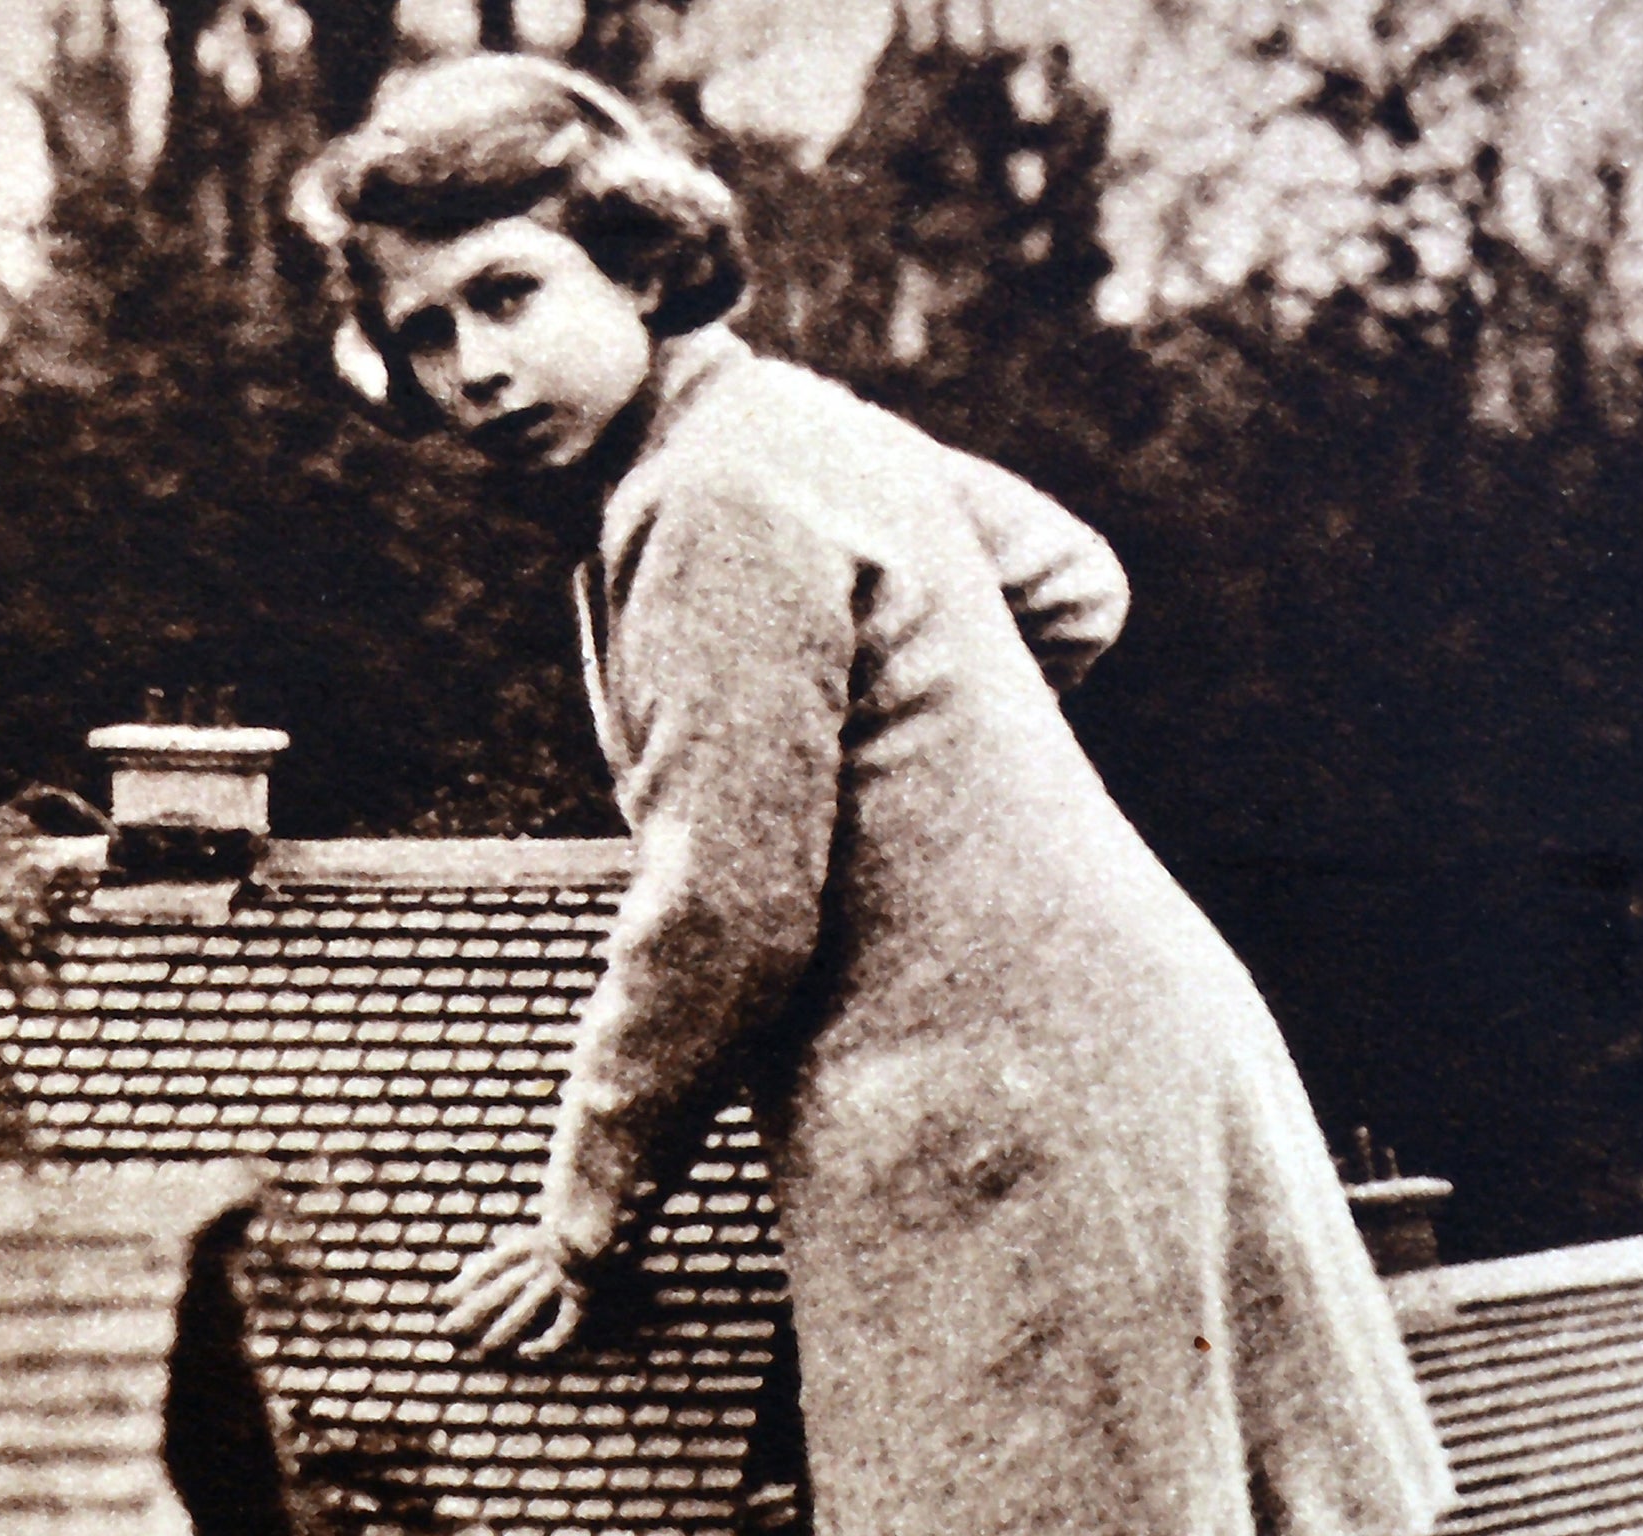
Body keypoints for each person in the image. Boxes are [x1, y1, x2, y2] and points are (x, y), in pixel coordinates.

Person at [291, 54, 1454, 1536]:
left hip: (999, 1122)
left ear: (640, 267)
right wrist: (927, 765)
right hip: (1133, 1046)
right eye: (427, 335)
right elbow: (1075, 586)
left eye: (507, 293)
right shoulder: (789, 417)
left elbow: (723, 914)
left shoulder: (702, 493)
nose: (475, 369)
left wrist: (582, 1222)